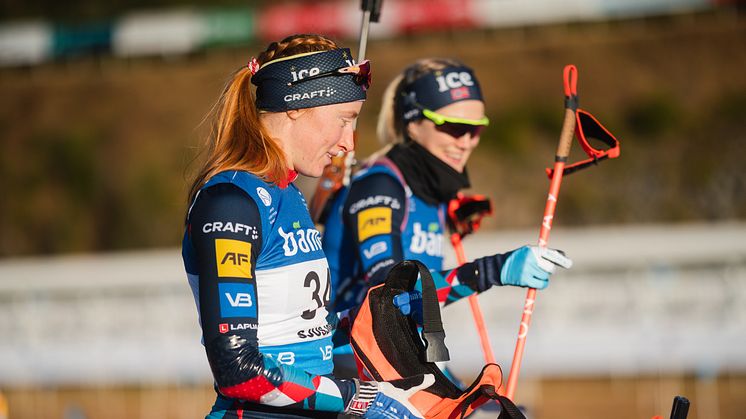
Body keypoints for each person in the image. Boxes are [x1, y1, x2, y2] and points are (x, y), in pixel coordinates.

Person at [181, 34, 438, 418]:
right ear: (297, 107)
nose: (349, 144)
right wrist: (358, 399)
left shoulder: (288, 192)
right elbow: (237, 369)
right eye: (344, 120)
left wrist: (370, 320)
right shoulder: (231, 202)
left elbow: (301, 330)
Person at [322, 58, 570, 330]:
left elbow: (419, 305)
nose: (465, 142)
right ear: (413, 122)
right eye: (454, 127)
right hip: (348, 357)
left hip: (399, 354)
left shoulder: (432, 191)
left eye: (475, 129)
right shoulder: (380, 187)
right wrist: (490, 271)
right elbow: (393, 296)